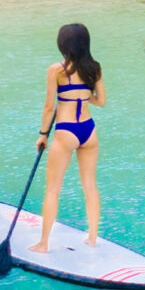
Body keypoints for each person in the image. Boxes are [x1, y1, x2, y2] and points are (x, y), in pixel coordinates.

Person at [32, 23, 105, 253]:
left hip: (66, 131)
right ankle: (92, 238)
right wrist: (83, 97)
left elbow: (48, 107)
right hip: (88, 130)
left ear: (63, 44)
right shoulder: (95, 68)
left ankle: (43, 244)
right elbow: (101, 100)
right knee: (90, 187)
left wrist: (43, 135)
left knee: (53, 189)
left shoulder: (57, 70)